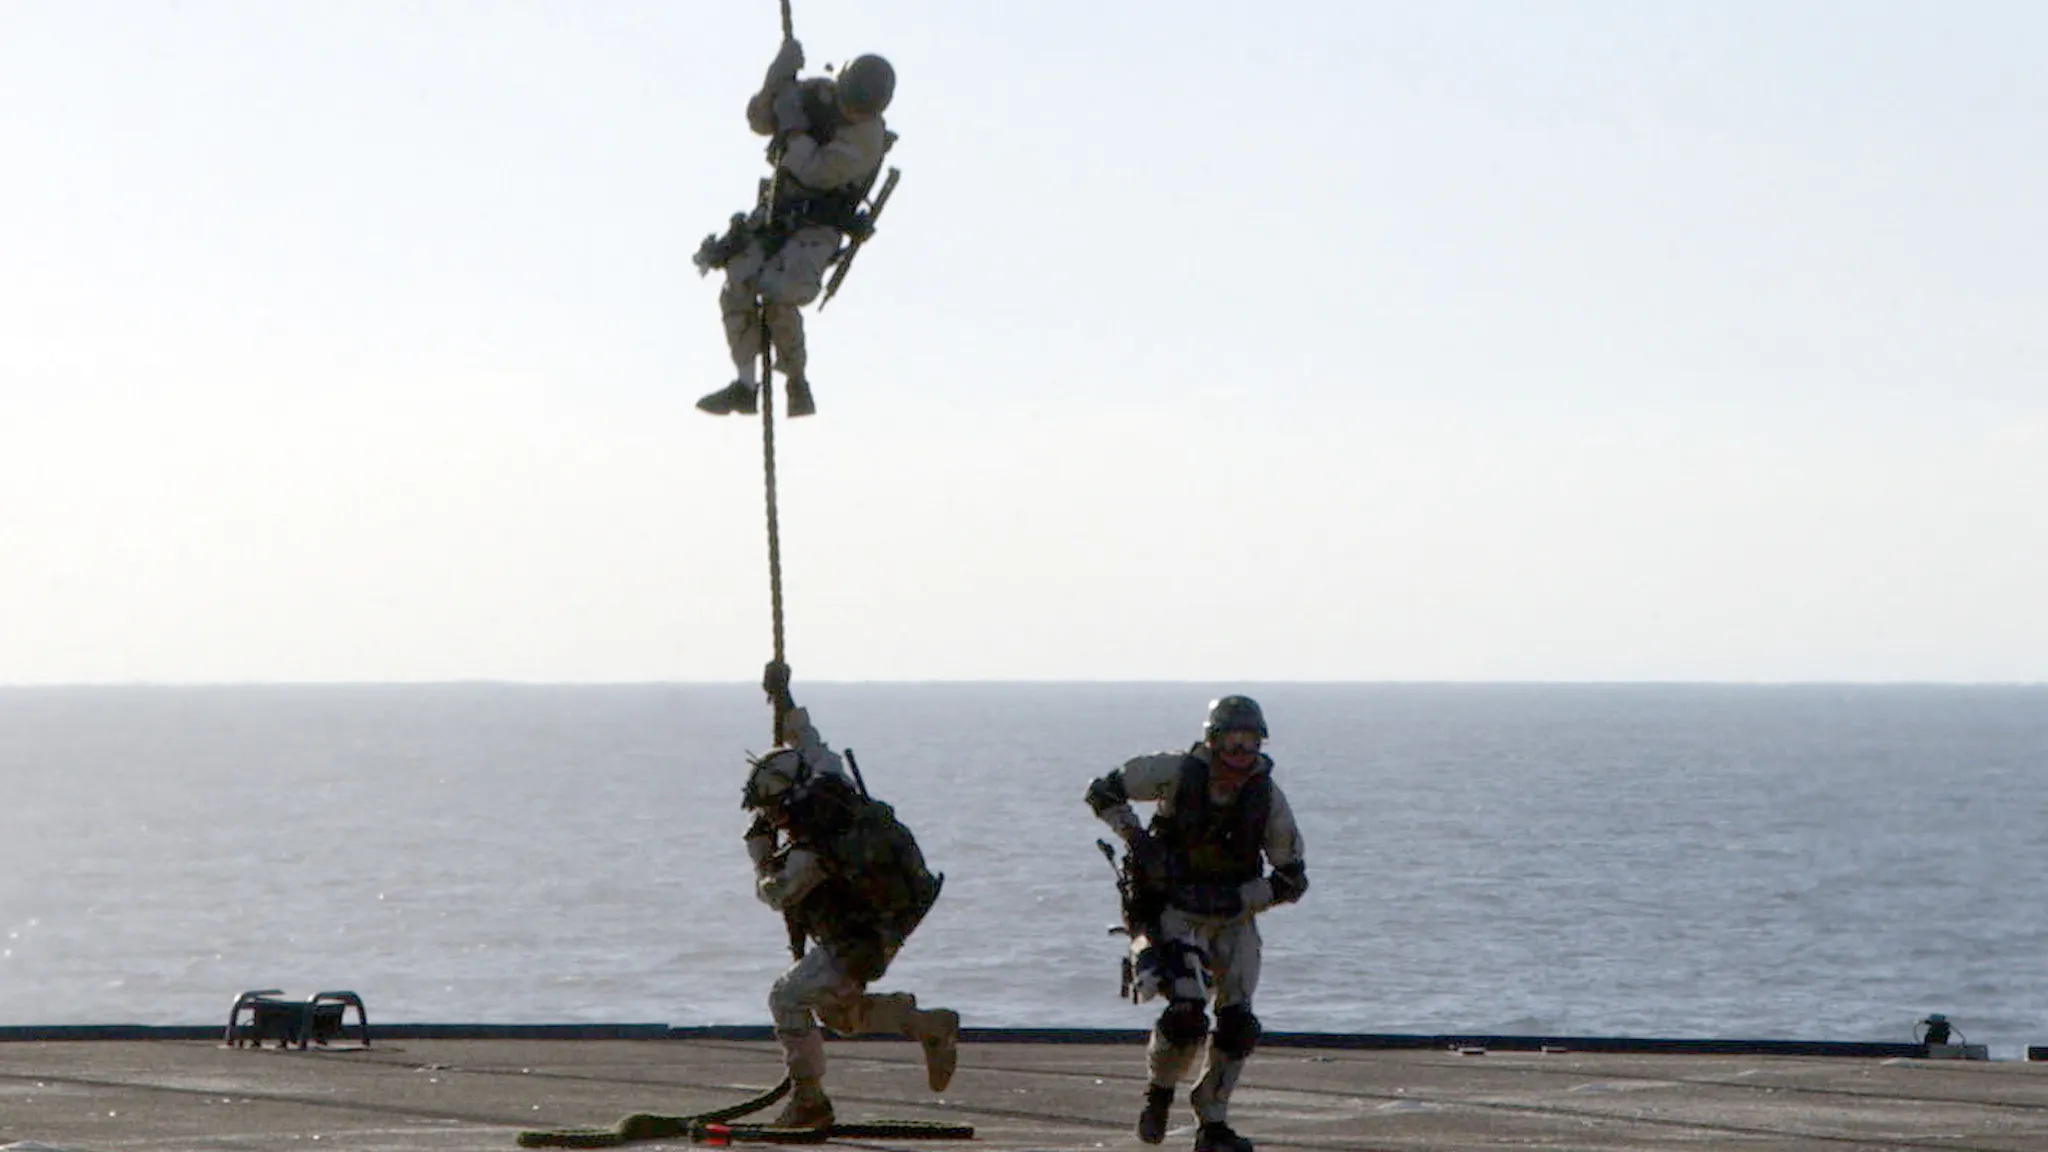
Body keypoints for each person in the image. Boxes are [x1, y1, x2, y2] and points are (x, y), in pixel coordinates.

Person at [1083, 695, 1309, 1152]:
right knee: (1186, 1016)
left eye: (1250, 742)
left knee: (1238, 1024)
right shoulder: (1176, 771)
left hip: (1233, 918)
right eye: (1232, 741)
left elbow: (1291, 877)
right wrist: (1135, 837)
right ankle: (1159, 1093)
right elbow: (1103, 791)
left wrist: (1242, 897)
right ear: (1213, 740)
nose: (1240, 752)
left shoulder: (1266, 797)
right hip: (1176, 911)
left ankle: (1213, 1120)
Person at [741, 660, 959, 1129]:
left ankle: (809, 1101)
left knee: (786, 998)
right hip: (888, 918)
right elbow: (806, 737)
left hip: (856, 936)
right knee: (839, 1015)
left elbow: (776, 894)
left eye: (772, 813)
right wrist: (782, 694)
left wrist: (760, 855)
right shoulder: (830, 779)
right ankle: (927, 1025)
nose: (772, 821)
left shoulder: (812, 852)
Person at [695, 39, 895, 420]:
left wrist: (794, 127)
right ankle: (744, 385)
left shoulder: (867, 139)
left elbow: (813, 171)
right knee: (738, 281)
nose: (847, 111)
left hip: (818, 227)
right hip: (777, 210)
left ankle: (795, 379)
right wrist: (776, 83)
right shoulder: (819, 94)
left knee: (779, 292)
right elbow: (759, 120)